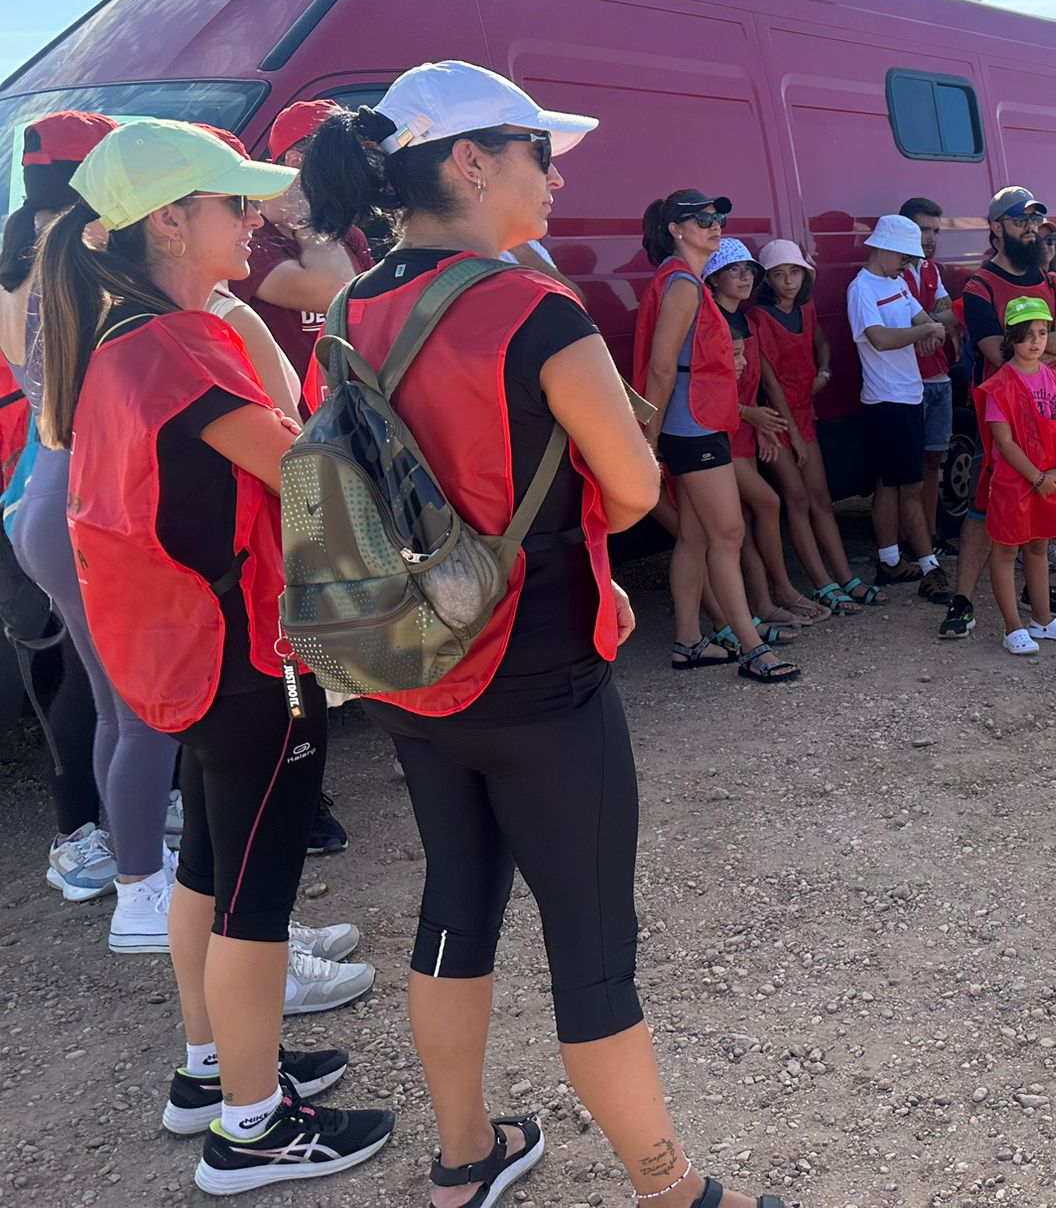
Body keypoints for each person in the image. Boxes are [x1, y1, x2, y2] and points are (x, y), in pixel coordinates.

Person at [299, 64, 788, 1208]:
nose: (558, 177)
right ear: (471, 163)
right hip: (537, 666)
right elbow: (633, 487)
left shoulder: (355, 304)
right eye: (539, 153)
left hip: (413, 662)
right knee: (592, 950)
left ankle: (463, 1156)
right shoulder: (535, 309)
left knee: (454, 909)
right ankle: (670, 1190)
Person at [46, 119, 390, 1189]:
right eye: (233, 203)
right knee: (254, 894)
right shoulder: (178, 343)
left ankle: (212, 1071)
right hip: (246, 656)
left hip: (188, 657)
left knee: (207, 868)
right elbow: (311, 477)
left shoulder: (122, 338)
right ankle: (252, 1125)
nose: (256, 220)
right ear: (167, 221)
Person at [0, 113, 117, 906]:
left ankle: (90, 826)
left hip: (33, 477)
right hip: (83, 477)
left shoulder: (17, 255)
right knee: (101, 675)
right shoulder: (78, 257)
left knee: (76, 663)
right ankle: (87, 835)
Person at [638, 188, 799, 681]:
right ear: (676, 230)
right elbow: (662, 368)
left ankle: (688, 641)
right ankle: (752, 648)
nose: (715, 226)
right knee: (727, 535)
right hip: (695, 425)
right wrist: (650, 441)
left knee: (693, 537)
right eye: (702, 219)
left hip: (694, 422)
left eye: (718, 219)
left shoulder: (679, 278)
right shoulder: (683, 283)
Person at [938, 188, 1056, 640]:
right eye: (1021, 221)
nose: (1031, 229)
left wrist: (1027, 346)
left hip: (1051, 416)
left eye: (1035, 221)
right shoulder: (980, 286)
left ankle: (1035, 598)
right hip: (1001, 418)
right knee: (984, 508)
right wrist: (1050, 343)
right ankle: (963, 600)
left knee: (1043, 499)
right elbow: (995, 353)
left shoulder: (1055, 282)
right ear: (997, 228)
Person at [748, 239, 885, 613]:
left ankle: (846, 578)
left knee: (821, 499)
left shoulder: (805, 308)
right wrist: (792, 433)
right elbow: (769, 383)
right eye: (779, 274)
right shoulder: (759, 318)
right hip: (777, 418)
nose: (788, 281)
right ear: (767, 280)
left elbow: (821, 342)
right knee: (796, 499)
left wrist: (823, 371)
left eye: (794, 272)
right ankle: (823, 585)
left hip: (803, 414)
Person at [704, 240, 828, 634]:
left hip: (744, 430)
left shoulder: (742, 319)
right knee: (768, 503)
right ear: (713, 278)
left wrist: (760, 424)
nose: (745, 278)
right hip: (718, 432)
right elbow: (704, 386)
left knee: (743, 518)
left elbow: (755, 380)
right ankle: (778, 592)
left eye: (749, 270)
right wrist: (749, 415)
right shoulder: (711, 321)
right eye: (734, 270)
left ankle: (762, 600)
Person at [234, 100, 375, 397]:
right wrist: (304, 215)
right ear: (296, 162)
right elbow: (333, 292)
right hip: (297, 419)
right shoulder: (251, 239)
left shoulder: (348, 235)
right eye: (341, 159)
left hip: (349, 410)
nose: (356, 170)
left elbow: (371, 317)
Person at [848, 214, 951, 603]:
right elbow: (879, 338)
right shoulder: (861, 288)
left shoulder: (895, 283)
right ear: (884, 249)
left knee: (891, 484)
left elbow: (925, 320)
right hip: (887, 399)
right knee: (908, 486)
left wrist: (928, 330)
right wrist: (925, 331)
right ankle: (928, 566)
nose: (908, 266)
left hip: (907, 395)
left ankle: (890, 560)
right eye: (904, 258)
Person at [980, 298, 1056, 654]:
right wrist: (1038, 477)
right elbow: (1004, 441)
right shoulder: (1000, 385)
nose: (1035, 341)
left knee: (1039, 546)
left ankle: (1043, 619)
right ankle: (1012, 627)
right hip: (1016, 483)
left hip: (1050, 482)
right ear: (1011, 338)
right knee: (1006, 550)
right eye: (1026, 334)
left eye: (1042, 332)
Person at [899, 197, 959, 544]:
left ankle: (931, 535)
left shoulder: (930, 270)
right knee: (907, 467)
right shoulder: (891, 273)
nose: (931, 238)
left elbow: (953, 314)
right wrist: (933, 325)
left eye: (935, 230)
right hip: (906, 380)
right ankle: (908, 540)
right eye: (924, 229)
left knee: (933, 460)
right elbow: (898, 322)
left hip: (938, 374)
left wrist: (928, 325)